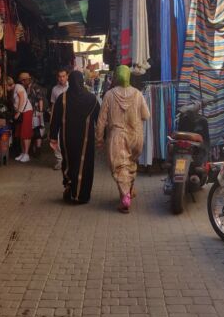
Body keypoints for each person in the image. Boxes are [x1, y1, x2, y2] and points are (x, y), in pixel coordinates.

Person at [95, 65, 150, 214]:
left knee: (120, 167)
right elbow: (146, 115)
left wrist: (99, 138)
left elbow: (101, 120)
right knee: (130, 163)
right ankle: (130, 190)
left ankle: (125, 199)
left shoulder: (109, 95)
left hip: (117, 136)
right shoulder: (138, 94)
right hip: (136, 135)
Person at [49, 71, 100, 205]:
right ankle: (82, 195)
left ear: (69, 81)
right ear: (82, 81)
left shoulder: (63, 98)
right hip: (86, 141)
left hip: (68, 139)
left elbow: (55, 119)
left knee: (70, 163)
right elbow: (99, 119)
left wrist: (53, 137)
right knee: (85, 165)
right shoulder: (92, 99)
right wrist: (101, 137)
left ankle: (70, 189)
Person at [6, 76, 33, 162]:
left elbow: (22, 98)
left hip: (26, 111)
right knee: (20, 133)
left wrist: (19, 112)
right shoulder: (14, 89)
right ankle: (23, 152)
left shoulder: (18, 87)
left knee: (25, 133)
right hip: (21, 112)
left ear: (8, 84)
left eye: (5, 85)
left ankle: (26, 154)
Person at [19, 72, 45, 157]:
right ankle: (31, 149)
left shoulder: (35, 87)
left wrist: (40, 112)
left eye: (24, 80)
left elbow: (40, 99)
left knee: (37, 130)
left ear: (28, 79)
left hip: (36, 112)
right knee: (30, 130)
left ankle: (38, 149)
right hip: (28, 112)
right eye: (21, 80)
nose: (22, 82)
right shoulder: (25, 87)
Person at [49, 68, 69, 170]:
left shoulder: (72, 87)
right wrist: (52, 119)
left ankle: (69, 161)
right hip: (58, 118)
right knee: (56, 139)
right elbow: (53, 105)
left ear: (67, 76)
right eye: (60, 76)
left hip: (70, 118)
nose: (61, 78)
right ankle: (59, 161)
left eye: (63, 76)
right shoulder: (54, 89)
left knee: (68, 139)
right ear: (58, 77)